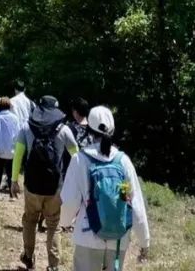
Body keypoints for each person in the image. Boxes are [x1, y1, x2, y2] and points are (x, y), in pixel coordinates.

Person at [60, 106, 150, 271]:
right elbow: (135, 203)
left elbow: (70, 201)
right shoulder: (124, 161)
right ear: (113, 130)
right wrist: (144, 241)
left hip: (87, 235)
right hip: (118, 239)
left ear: (89, 129)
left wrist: (65, 222)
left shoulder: (79, 159)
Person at [11, 96, 80, 271]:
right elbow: (77, 156)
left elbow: (18, 155)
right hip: (55, 187)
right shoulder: (63, 130)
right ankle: (53, 265)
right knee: (54, 225)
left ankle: (28, 256)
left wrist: (13, 181)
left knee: (29, 221)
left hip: (32, 186)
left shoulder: (26, 127)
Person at [0, 97, 22, 196]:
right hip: (12, 149)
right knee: (10, 171)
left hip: (0, 150)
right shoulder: (15, 118)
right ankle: (11, 192)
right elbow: (18, 134)